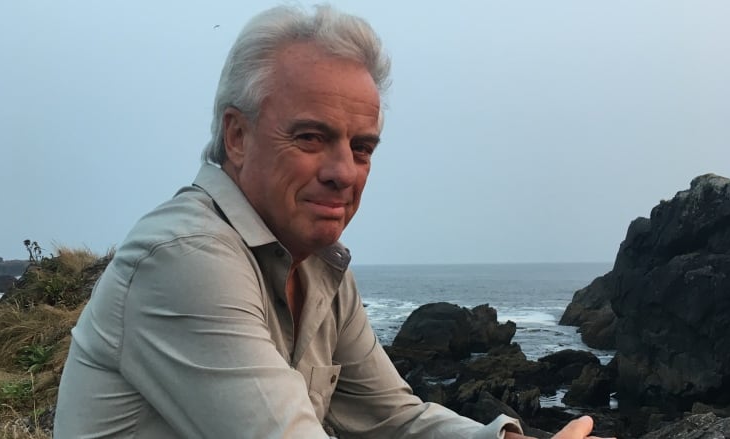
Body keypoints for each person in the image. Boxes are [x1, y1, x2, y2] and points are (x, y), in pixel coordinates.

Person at [54, 5, 612, 439]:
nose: (344, 172)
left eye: (362, 147)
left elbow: (394, 417)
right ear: (237, 136)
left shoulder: (321, 269)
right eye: (310, 137)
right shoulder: (186, 257)